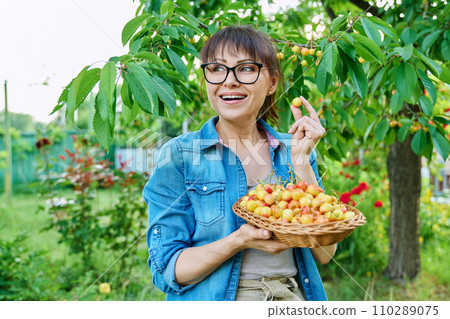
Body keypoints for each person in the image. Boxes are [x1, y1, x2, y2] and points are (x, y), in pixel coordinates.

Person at [143, 24, 336, 301]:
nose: (229, 81)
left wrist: (302, 163)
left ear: (272, 83)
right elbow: (167, 269)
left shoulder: (293, 149)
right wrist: (239, 240)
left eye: (246, 68)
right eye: (216, 69)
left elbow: (325, 253)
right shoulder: (180, 156)